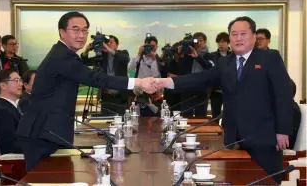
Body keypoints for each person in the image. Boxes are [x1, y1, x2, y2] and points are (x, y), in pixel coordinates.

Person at [155, 16, 293, 184]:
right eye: (234, 34)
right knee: (236, 180)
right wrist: (167, 82)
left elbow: (283, 94)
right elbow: (201, 79)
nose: (238, 38)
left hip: (265, 138)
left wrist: (283, 131)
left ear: (254, 36)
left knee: (266, 182)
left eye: (243, 33)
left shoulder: (269, 58)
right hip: (234, 139)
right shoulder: (224, 62)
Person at [16, 11, 157, 172]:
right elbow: (96, 78)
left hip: (50, 131)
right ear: (62, 32)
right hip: (42, 133)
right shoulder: (62, 56)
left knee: (60, 178)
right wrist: (138, 82)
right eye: (75, 29)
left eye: (85, 30)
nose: (81, 35)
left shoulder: (64, 54)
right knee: (44, 180)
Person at [0, 69, 23, 154]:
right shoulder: (2, 111)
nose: (21, 84)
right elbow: (10, 146)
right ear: (3, 85)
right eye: (16, 80)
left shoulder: (11, 107)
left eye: (20, 80)